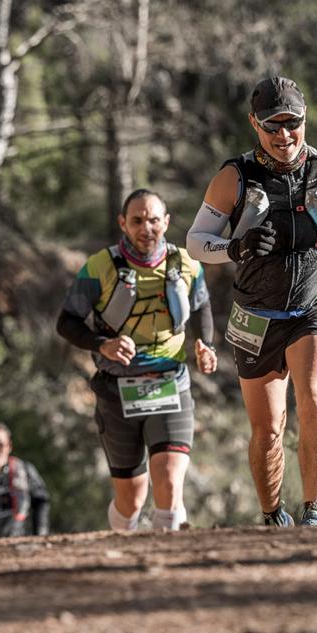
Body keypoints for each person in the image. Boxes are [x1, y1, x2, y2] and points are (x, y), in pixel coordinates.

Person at [186, 75, 317, 527]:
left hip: (314, 306)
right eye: (273, 126)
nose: (285, 135)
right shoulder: (234, 177)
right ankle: (273, 516)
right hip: (256, 314)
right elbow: (195, 243)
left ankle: (314, 513)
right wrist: (235, 247)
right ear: (254, 123)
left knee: (313, 400)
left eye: (294, 123)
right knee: (269, 429)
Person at [57, 188, 218, 531]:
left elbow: (202, 305)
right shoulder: (100, 267)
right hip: (116, 392)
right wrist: (103, 344)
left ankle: (170, 560)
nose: (147, 228)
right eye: (138, 221)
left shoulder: (186, 264)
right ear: (123, 223)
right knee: (131, 499)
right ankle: (125, 546)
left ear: (167, 222)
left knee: (171, 482)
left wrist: (205, 344)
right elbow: (66, 323)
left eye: (154, 220)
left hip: (170, 384)